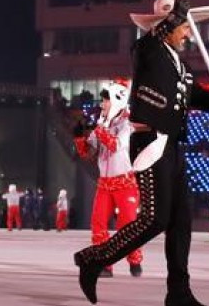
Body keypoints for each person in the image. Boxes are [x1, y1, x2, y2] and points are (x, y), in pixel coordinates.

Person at [74, 0, 209, 306]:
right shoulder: (147, 50)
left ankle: (179, 292)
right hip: (150, 142)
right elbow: (149, 43)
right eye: (184, 25)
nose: (189, 32)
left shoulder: (180, 64)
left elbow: (195, 96)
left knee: (181, 222)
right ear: (168, 23)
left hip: (174, 144)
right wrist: (175, 16)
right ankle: (93, 258)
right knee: (155, 219)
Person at [73, 86, 142, 276]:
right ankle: (104, 265)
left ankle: (134, 260)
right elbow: (87, 153)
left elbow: (115, 145)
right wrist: (80, 138)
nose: (102, 104)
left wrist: (101, 128)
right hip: (104, 183)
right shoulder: (101, 123)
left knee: (127, 225)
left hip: (125, 182)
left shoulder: (127, 123)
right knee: (98, 224)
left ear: (117, 100)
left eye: (105, 100)